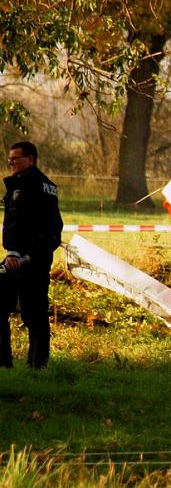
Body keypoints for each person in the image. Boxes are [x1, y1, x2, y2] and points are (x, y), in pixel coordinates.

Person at [1, 141, 63, 368]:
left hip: (30, 260)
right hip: (16, 258)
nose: (11, 164)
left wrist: (26, 255)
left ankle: (37, 366)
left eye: (15, 159)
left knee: (34, 313)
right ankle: (5, 363)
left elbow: (48, 229)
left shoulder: (33, 186)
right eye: (9, 160)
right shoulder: (27, 185)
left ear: (30, 159)